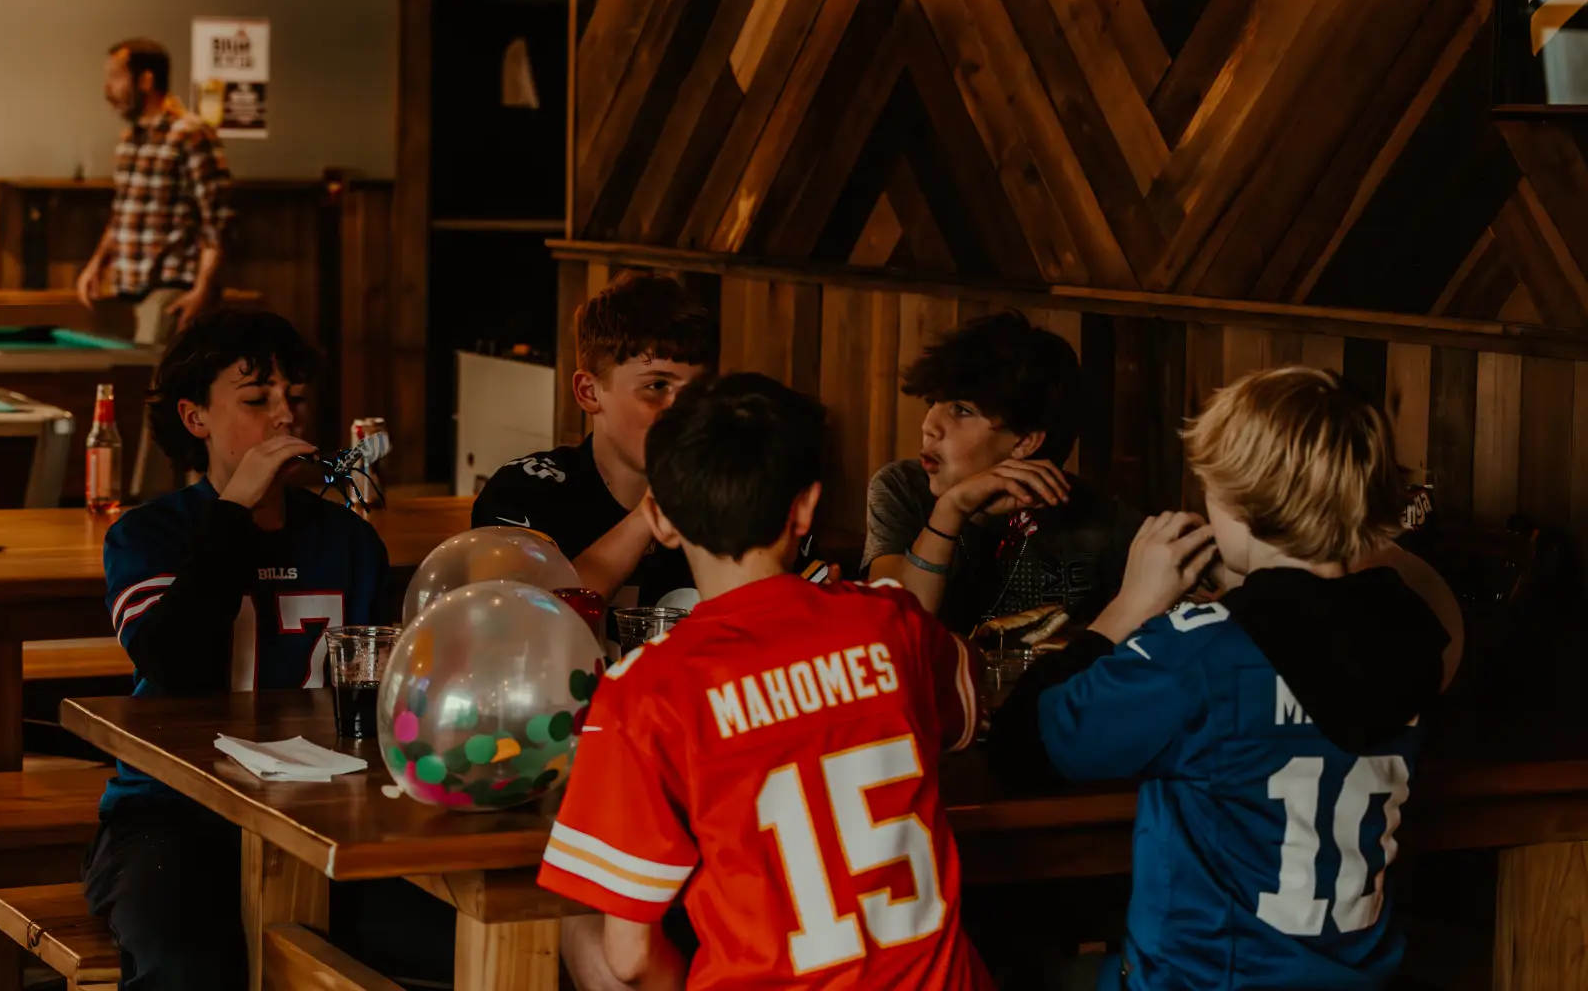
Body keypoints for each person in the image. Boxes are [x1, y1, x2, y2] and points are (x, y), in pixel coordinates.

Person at [990, 367, 1453, 990]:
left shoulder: (1200, 654)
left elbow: (1023, 747)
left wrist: (1129, 606)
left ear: (1236, 504)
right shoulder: (1413, 633)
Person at [539, 372, 991, 991]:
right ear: (804, 506)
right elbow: (967, 711)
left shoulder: (643, 692)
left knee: (581, 912)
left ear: (660, 520)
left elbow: (631, 959)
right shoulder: (892, 621)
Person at [81, 310, 448, 990]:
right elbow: (175, 664)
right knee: (188, 965)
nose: (285, 416)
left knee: (452, 947)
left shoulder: (349, 541)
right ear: (196, 419)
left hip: (325, 814)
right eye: (257, 401)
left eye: (296, 398)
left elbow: (381, 694)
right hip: (170, 816)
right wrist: (233, 513)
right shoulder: (149, 536)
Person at [862, 311, 1140, 635]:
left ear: (1023, 441)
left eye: (962, 411)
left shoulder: (1097, 521)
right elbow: (890, 626)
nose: (929, 427)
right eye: (932, 403)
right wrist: (951, 509)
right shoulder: (903, 488)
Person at [473, 271, 717, 611]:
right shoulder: (523, 492)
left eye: (698, 390)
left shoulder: (729, 495)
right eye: (657, 386)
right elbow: (530, 622)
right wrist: (651, 512)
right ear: (589, 392)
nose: (685, 411)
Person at [77, 38, 235, 348]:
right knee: (123, 379)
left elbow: (216, 221)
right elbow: (122, 213)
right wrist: (96, 264)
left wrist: (202, 291)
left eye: (117, 76)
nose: (109, 87)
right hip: (128, 284)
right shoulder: (129, 139)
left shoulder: (190, 134)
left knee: (151, 382)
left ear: (146, 80)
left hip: (173, 285)